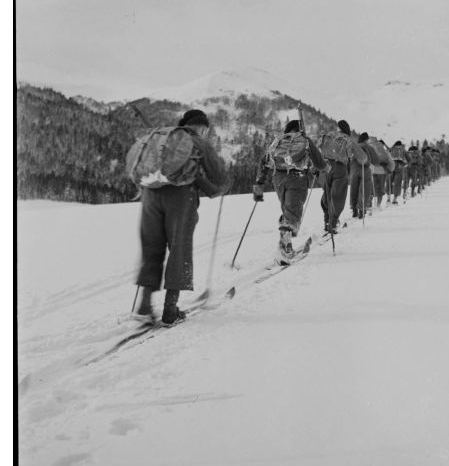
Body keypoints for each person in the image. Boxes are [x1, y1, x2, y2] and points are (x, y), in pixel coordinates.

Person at [134, 109, 231, 326]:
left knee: (151, 248)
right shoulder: (197, 141)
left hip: (149, 194)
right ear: (201, 127)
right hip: (180, 198)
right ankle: (171, 309)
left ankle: (144, 305)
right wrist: (222, 186)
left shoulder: (161, 139)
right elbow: (219, 179)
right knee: (179, 248)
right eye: (205, 128)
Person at [252, 119, 327, 260]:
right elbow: (320, 163)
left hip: (278, 179)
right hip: (297, 178)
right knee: (293, 212)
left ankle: (286, 244)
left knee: (288, 211)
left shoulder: (278, 141)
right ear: (299, 130)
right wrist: (322, 168)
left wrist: (259, 184)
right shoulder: (304, 139)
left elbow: (265, 161)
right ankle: (284, 248)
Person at [318, 120, 367, 233]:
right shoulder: (348, 139)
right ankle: (333, 222)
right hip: (340, 168)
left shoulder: (328, 136)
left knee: (327, 193)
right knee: (338, 196)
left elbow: (317, 149)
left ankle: (326, 220)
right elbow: (362, 157)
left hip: (325, 168)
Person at [349, 132, 375, 219]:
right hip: (365, 169)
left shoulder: (355, 146)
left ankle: (354, 210)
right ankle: (361, 210)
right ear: (366, 139)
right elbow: (376, 160)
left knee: (354, 189)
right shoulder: (368, 147)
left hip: (354, 169)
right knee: (365, 189)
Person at [369, 135, 395, 210]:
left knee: (372, 188)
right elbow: (390, 160)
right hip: (382, 171)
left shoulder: (370, 149)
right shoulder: (384, 151)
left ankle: (369, 205)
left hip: (373, 170)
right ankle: (378, 205)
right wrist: (390, 169)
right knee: (380, 188)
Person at [389, 140, 408, 205]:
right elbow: (409, 159)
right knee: (397, 183)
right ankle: (394, 199)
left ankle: (388, 198)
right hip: (400, 167)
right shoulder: (403, 150)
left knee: (389, 181)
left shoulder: (392, 149)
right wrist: (405, 164)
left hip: (391, 166)